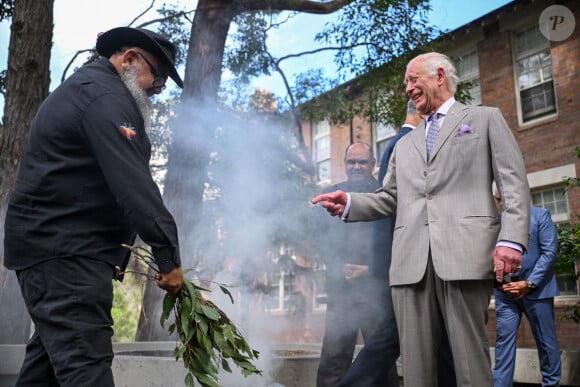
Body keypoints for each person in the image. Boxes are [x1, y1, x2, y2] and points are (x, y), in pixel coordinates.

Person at [312, 52, 531, 387]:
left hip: (464, 257)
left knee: (469, 363)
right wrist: (350, 203)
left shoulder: (485, 118)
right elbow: (389, 198)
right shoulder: (404, 145)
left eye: (413, 80)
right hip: (410, 267)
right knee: (416, 370)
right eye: (405, 83)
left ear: (440, 75)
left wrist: (511, 240)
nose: (408, 89)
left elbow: (513, 184)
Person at [3, 27, 185, 386]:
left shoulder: (94, 92)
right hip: (66, 256)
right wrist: (168, 256)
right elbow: (133, 184)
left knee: (47, 372)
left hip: (58, 253)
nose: (159, 88)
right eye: (158, 75)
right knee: (88, 370)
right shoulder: (104, 97)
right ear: (130, 58)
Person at [339, 100, 456, 387]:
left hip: (415, 267)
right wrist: (381, 270)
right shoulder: (406, 143)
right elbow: (388, 213)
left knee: (437, 344)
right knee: (389, 339)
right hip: (408, 269)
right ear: (422, 111)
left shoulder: (402, 143)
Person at [316, 142, 384, 387]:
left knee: (379, 358)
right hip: (340, 291)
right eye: (351, 162)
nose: (356, 167)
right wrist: (336, 266)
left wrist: (370, 269)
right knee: (333, 357)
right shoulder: (331, 194)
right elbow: (320, 238)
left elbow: (395, 241)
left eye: (362, 162)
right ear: (344, 164)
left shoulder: (384, 194)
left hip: (376, 292)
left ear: (373, 165)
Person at [493, 190, 561, 387]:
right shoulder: (496, 223)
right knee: (503, 345)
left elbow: (549, 252)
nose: (501, 203)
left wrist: (529, 283)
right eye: (498, 200)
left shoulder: (540, 215)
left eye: (504, 198)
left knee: (546, 344)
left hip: (537, 292)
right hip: (506, 294)